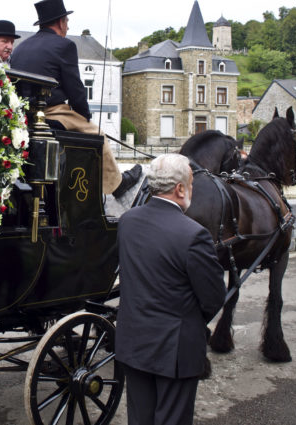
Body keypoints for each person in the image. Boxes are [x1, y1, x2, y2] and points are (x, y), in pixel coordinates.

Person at [116, 153, 226, 425]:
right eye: (191, 184)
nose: (191, 190)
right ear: (180, 189)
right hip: (175, 350)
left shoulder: (127, 221)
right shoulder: (194, 234)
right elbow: (213, 297)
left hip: (134, 342)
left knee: (140, 419)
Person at [11, 0, 141, 198]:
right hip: (51, 112)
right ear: (60, 22)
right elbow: (75, 88)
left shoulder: (21, 48)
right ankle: (117, 185)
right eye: (67, 21)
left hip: (23, 115)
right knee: (98, 135)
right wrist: (84, 117)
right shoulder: (65, 46)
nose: (68, 27)